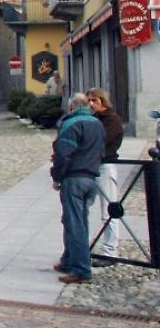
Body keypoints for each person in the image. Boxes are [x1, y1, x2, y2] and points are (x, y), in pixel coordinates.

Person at [51, 92, 105, 284]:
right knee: (78, 221)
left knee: (74, 224)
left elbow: (63, 154)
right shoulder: (97, 123)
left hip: (74, 177)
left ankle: (81, 268)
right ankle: (69, 259)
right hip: (92, 177)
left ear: (71, 107)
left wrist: (56, 176)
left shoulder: (71, 123)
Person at [87, 88, 123, 266]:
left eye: (94, 100)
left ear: (102, 100)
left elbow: (102, 140)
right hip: (91, 165)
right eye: (89, 101)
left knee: (109, 209)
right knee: (84, 206)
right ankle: (83, 248)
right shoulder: (94, 119)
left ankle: (111, 251)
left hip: (105, 165)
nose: (91, 104)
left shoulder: (112, 119)